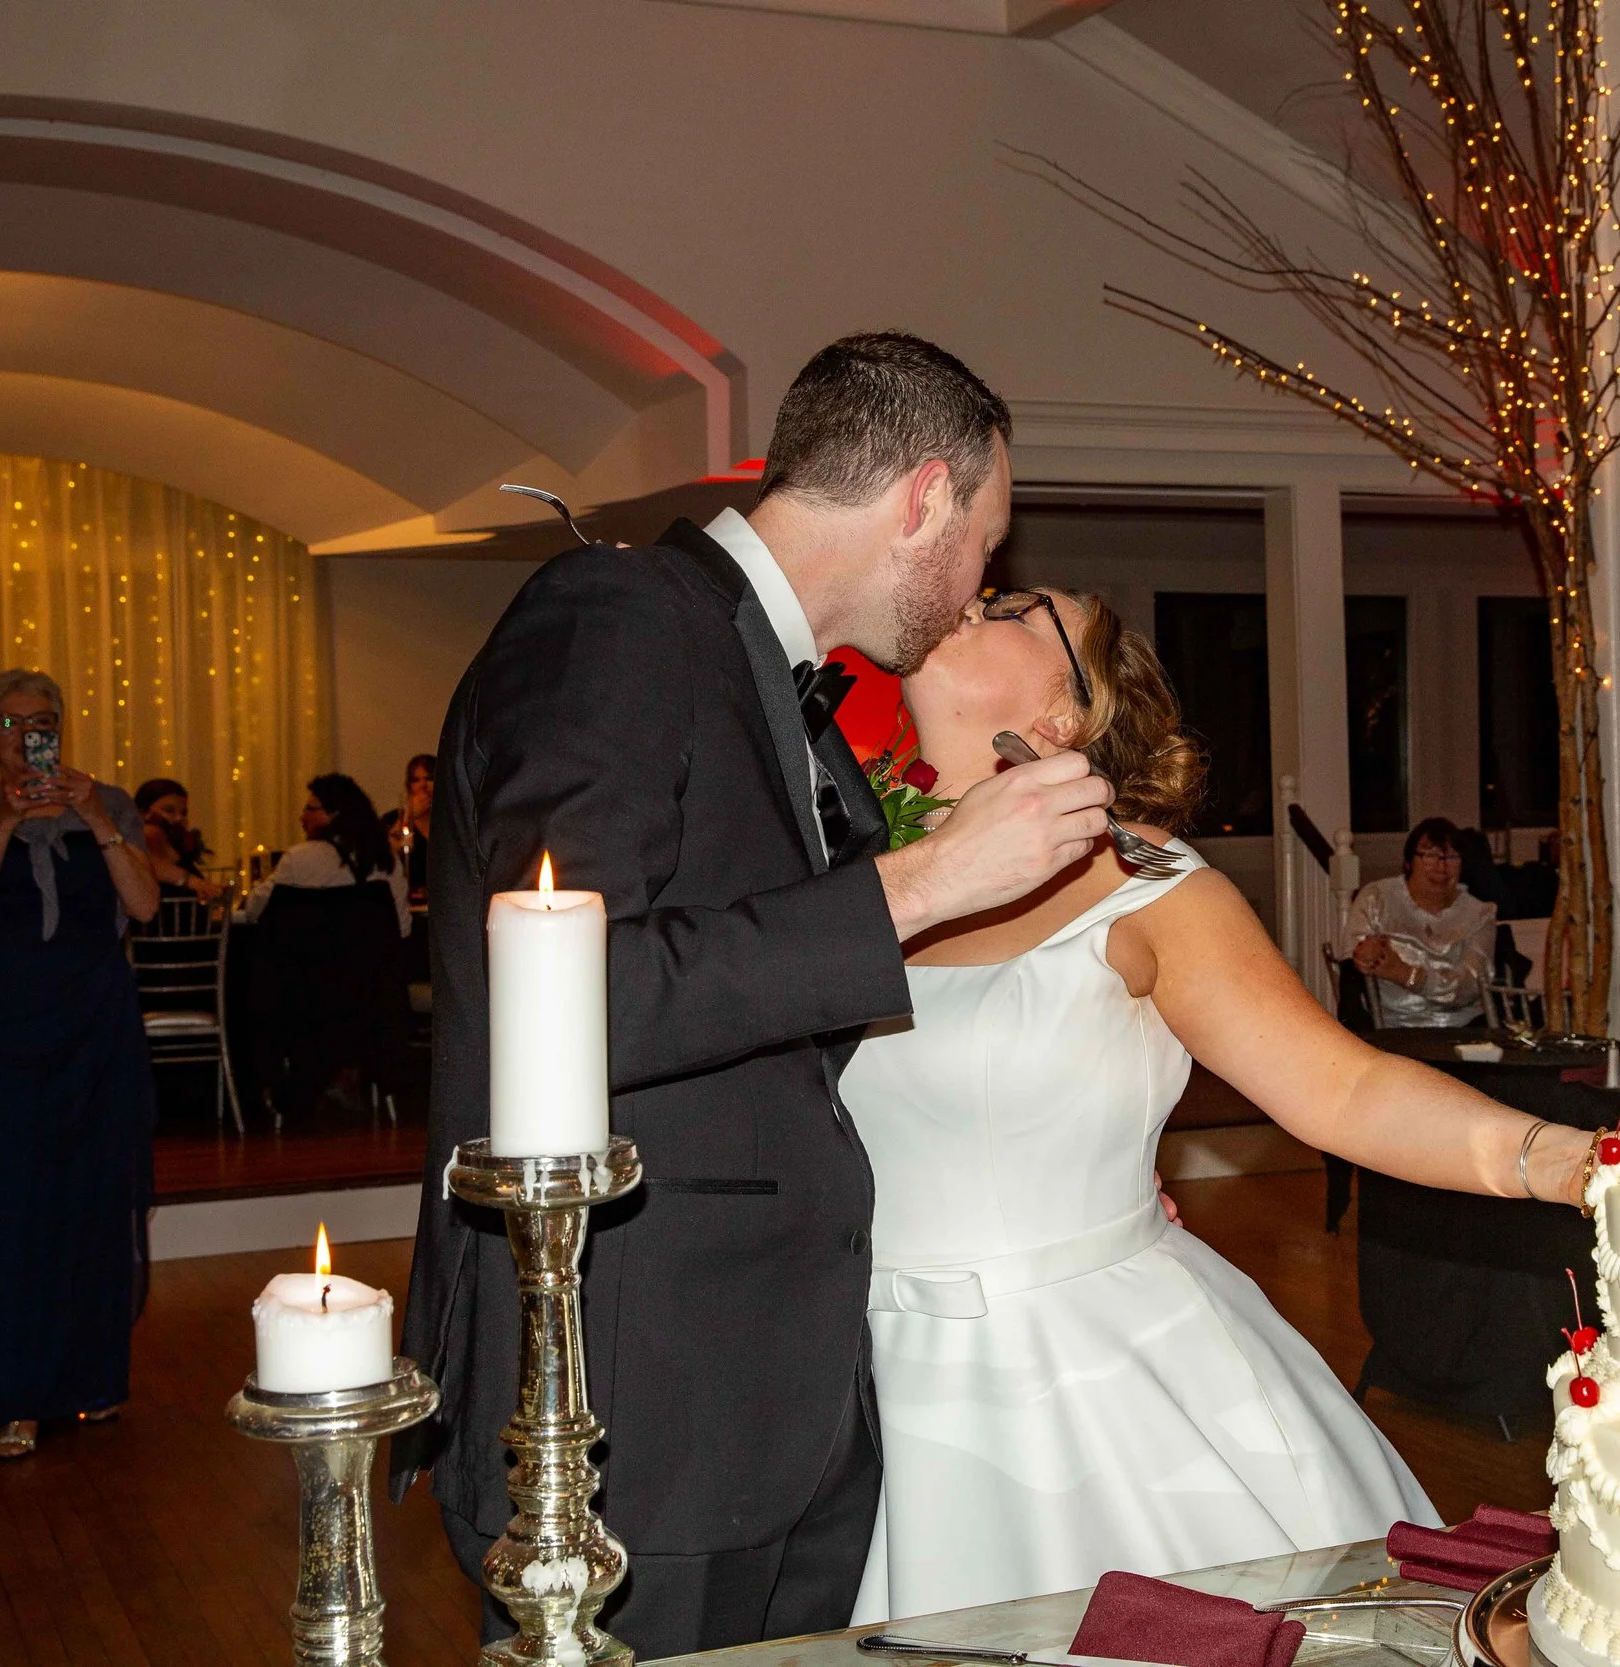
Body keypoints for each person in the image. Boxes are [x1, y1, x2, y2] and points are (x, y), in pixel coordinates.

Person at [396, 333, 1116, 1657]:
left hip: (759, 1392)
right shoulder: (619, 616)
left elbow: (774, 1019)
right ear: (923, 499)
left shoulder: (760, 673)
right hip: (632, 1401)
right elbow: (572, 993)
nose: (978, 588)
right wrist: (923, 883)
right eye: (986, 543)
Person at [844, 589, 1595, 1620]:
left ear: (1064, 718)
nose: (975, 597)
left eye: (1017, 609)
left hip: (1086, 1384)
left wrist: (1554, 1156)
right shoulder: (849, 875)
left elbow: (1338, 1082)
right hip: (848, 1377)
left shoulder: (1142, 878)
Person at [0, 668, 161, 1459]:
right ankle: (15, 1397)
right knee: (9, 1208)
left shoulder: (114, 802)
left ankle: (88, 1384)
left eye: (47, 719)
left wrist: (93, 813)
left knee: (93, 1202)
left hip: (94, 1028)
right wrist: (2, 824)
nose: (32, 733)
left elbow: (145, 904)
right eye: (15, 721)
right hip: (4, 1036)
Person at [1347, 817, 1498, 1026]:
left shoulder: (1480, 914)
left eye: (1451, 857)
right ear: (1408, 863)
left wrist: (1405, 974)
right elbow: (1355, 961)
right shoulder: (1377, 898)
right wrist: (1366, 955)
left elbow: (1470, 987)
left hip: (1461, 1028)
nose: (1441, 867)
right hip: (1390, 1030)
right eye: (1429, 856)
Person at [239, 774, 410, 936]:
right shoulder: (387, 858)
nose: (302, 817)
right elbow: (403, 927)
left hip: (310, 963)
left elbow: (254, 909)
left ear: (334, 813)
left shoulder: (299, 858)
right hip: (373, 964)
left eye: (309, 809)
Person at [135, 778, 220, 901]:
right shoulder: (146, 835)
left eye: (184, 813)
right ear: (143, 813)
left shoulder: (174, 842)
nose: (179, 818)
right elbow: (144, 863)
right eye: (169, 810)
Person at [378, 754, 435, 901]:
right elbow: (382, 856)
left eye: (429, 778)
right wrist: (408, 816)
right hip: (404, 900)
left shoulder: (449, 821)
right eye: (416, 780)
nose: (423, 786)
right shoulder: (392, 820)